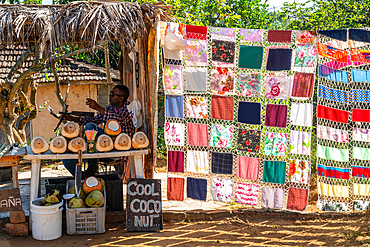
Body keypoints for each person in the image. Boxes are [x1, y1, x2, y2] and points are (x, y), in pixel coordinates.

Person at [62, 85, 135, 177]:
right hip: (105, 145)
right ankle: (87, 176)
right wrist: (73, 119)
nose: (109, 96)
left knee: (91, 126)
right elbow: (94, 120)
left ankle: (92, 163)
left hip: (120, 147)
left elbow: (118, 120)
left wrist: (98, 108)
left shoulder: (128, 108)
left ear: (121, 98)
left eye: (112, 94)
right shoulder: (110, 108)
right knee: (67, 161)